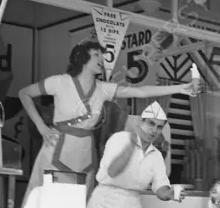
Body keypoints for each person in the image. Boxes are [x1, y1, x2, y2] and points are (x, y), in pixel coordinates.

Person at [19, 40, 195, 197]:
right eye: (96, 54)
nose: (101, 59)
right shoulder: (59, 82)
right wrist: (41, 126)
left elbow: (140, 91)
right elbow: (24, 93)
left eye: (101, 55)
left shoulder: (102, 88)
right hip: (56, 151)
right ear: (81, 57)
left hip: (84, 156)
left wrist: (179, 89)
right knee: (49, 206)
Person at [87, 101, 182, 208]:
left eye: (159, 127)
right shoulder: (119, 139)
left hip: (132, 206)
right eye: (151, 124)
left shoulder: (156, 156)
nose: (154, 130)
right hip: (105, 203)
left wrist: (173, 194)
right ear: (140, 122)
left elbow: (160, 188)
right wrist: (131, 145)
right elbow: (113, 171)